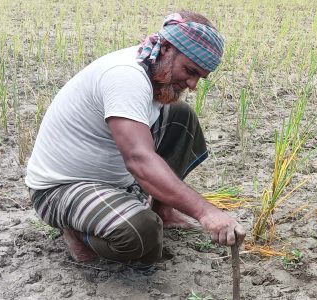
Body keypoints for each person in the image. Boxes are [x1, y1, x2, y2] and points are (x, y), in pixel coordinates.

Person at [25, 11, 246, 267]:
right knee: (142, 237)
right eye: (189, 70)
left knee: (179, 116)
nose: (193, 84)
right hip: (61, 189)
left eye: (200, 77)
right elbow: (139, 159)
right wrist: (206, 212)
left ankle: (161, 208)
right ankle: (77, 232)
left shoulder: (151, 67)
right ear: (165, 48)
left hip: (112, 180)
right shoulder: (126, 76)